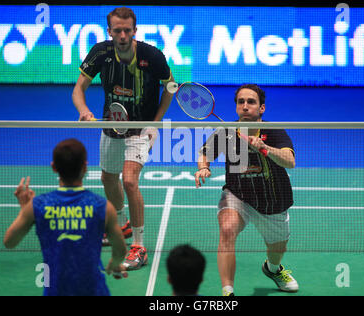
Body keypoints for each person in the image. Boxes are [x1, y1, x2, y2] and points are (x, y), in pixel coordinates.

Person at [72, 7, 175, 270]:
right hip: (112, 124)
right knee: (108, 178)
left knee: (129, 180)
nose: (122, 34)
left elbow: (170, 87)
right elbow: (78, 89)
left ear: (134, 30)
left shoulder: (152, 55)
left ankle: (139, 246)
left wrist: (156, 122)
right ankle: (121, 224)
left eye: (127, 30)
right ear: (109, 31)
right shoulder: (101, 53)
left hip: (141, 127)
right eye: (117, 30)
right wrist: (84, 111)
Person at [195, 84, 299, 296]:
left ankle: (272, 269)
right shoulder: (226, 132)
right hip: (238, 195)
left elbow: (290, 161)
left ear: (261, 108)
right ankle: (227, 293)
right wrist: (203, 167)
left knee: (277, 250)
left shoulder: (274, 131)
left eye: (251, 102)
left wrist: (264, 147)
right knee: (227, 229)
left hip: (273, 200)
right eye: (241, 102)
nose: (245, 106)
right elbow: (204, 153)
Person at [4, 138, 128, 296]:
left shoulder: (38, 206)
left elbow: (9, 242)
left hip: (56, 291)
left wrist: (25, 210)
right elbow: (120, 249)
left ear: (53, 167)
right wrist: (115, 264)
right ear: (85, 167)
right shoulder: (102, 207)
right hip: (94, 290)